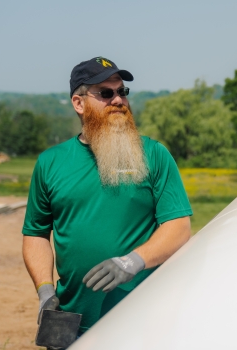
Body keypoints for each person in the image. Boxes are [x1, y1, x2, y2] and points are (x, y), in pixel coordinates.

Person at [22, 56, 192, 335]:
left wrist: (132, 262)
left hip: (141, 320)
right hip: (71, 323)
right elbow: (36, 233)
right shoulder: (50, 162)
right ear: (79, 103)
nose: (118, 100)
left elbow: (179, 226)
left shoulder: (154, 154)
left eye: (122, 92)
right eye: (105, 93)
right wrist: (44, 290)